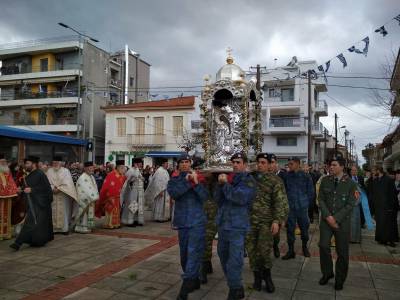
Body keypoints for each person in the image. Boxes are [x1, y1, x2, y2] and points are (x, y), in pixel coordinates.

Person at [214, 152, 256, 300]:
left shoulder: (248, 181)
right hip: (224, 224)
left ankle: (234, 288)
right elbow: (218, 200)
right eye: (233, 162)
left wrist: (225, 184)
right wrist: (220, 186)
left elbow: (239, 198)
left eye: (238, 162)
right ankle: (235, 284)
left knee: (235, 259)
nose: (235, 165)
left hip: (237, 226)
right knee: (222, 255)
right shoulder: (229, 179)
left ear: (245, 164)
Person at [167, 154, 208, 300]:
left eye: (187, 162)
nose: (184, 164)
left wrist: (195, 183)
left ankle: (184, 289)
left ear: (190, 163)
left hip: (197, 222)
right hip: (183, 222)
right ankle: (194, 278)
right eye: (182, 162)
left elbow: (205, 197)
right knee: (184, 254)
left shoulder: (200, 178)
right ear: (178, 165)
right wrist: (187, 183)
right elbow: (174, 194)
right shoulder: (174, 181)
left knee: (193, 252)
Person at [248, 153, 288, 293]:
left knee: (264, 251)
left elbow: (280, 202)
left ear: (269, 164)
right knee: (252, 251)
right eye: (259, 162)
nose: (260, 165)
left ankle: (267, 277)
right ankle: (257, 279)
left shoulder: (275, 180)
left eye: (263, 162)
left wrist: (277, 221)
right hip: (250, 221)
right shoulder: (250, 178)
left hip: (266, 222)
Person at [318, 157, 357, 290]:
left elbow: (351, 203)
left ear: (342, 167)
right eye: (330, 165)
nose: (331, 167)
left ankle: (340, 279)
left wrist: (336, 218)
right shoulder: (325, 180)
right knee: (323, 246)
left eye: (334, 165)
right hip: (326, 221)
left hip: (342, 223)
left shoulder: (351, 184)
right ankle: (327, 273)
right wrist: (328, 216)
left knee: (342, 252)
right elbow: (321, 199)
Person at [10, 156, 53, 251]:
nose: (26, 165)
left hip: (40, 204)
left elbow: (47, 190)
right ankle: (36, 241)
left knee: (30, 223)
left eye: (28, 163)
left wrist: (32, 190)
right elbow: (26, 186)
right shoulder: (30, 175)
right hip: (32, 203)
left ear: (34, 164)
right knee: (35, 224)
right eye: (26, 164)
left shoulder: (40, 174)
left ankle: (18, 243)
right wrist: (20, 189)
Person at [282, 157, 314, 260]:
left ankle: (305, 247)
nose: (289, 166)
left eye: (291, 164)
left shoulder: (306, 176)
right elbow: (284, 191)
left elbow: (311, 192)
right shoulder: (287, 176)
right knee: (290, 230)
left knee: (304, 230)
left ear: (297, 164)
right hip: (290, 208)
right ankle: (291, 251)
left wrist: (306, 204)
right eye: (289, 164)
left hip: (302, 208)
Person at [46, 157, 78, 234]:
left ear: (61, 162)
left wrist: (59, 188)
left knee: (64, 211)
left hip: (63, 194)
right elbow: (46, 182)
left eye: (57, 161)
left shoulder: (66, 171)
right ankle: (53, 229)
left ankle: (64, 229)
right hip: (52, 194)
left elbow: (68, 183)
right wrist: (53, 188)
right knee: (52, 212)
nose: (56, 162)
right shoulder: (49, 171)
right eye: (54, 161)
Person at [372, 167, 399, 247]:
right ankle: (381, 239)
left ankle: (391, 240)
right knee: (380, 224)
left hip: (387, 206)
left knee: (389, 225)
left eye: (374, 171)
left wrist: (391, 206)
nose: (373, 173)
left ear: (378, 171)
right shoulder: (375, 181)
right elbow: (374, 194)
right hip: (378, 207)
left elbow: (392, 194)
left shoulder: (388, 180)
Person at [95, 160, 126, 229]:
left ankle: (116, 223)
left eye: (123, 167)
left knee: (117, 210)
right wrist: (108, 195)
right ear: (117, 167)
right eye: (122, 167)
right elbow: (107, 185)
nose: (123, 169)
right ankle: (109, 224)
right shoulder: (111, 174)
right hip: (110, 196)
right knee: (110, 209)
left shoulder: (122, 175)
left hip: (117, 196)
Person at [269, 154, 286, 258]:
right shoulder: (259, 177)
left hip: (276, 211)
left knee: (276, 235)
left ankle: (275, 246)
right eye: (269, 162)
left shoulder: (282, 177)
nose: (271, 165)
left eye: (272, 162)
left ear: (276, 164)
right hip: (263, 212)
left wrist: (283, 217)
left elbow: (284, 198)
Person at [74, 161, 99, 233]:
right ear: (85, 169)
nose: (91, 169)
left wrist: (96, 195)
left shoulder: (91, 177)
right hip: (85, 200)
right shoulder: (82, 177)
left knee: (89, 214)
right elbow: (82, 189)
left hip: (91, 200)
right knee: (84, 215)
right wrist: (92, 197)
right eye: (90, 168)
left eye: (92, 168)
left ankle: (88, 226)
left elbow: (94, 187)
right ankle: (81, 228)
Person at [121, 158, 145, 227]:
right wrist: (133, 179)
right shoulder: (130, 170)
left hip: (138, 191)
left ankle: (135, 219)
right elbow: (126, 181)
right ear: (136, 163)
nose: (141, 164)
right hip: (132, 191)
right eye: (140, 163)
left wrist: (142, 178)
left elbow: (140, 177)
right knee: (132, 204)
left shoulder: (137, 170)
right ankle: (129, 221)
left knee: (136, 205)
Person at [0, 155, 18, 240]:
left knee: (7, 215)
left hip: (7, 197)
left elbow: (11, 181)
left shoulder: (8, 171)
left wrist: (14, 189)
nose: (3, 163)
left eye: (4, 161)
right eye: (1, 162)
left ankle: (6, 233)